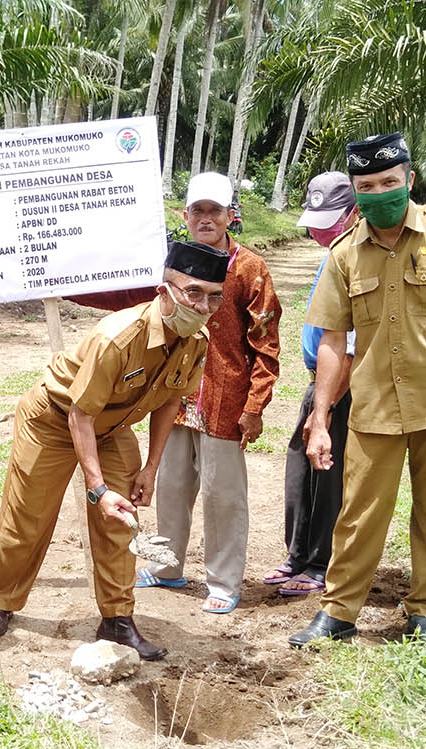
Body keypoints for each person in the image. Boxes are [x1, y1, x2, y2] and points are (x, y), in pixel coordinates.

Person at [289, 132, 426, 648]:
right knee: (359, 513)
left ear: (410, 180)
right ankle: (339, 613)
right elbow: (333, 342)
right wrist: (319, 420)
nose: (379, 192)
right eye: (367, 185)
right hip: (374, 407)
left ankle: (425, 611)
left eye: (388, 182)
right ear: (355, 191)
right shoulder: (344, 254)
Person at [0, 242, 223, 659]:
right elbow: (79, 416)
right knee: (28, 518)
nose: (204, 306)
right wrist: (97, 487)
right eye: (193, 292)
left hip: (111, 426)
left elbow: (169, 402)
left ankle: (116, 620)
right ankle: (1, 601)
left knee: (120, 520)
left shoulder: (196, 339)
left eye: (214, 296)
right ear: (164, 292)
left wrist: (150, 468)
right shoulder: (118, 338)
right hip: (54, 419)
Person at [135, 172, 280, 613]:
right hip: (175, 398)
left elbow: (266, 343)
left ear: (230, 215)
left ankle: (223, 580)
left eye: (214, 211)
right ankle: (167, 568)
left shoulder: (250, 268)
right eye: (197, 210)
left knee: (223, 494)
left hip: (225, 398)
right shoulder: (173, 263)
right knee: (171, 485)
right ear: (185, 215)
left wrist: (255, 406)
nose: (205, 218)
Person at [272, 171, 357, 595]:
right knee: (299, 467)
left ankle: (320, 562)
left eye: (330, 223)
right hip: (317, 382)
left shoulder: (356, 256)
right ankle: (296, 554)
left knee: (328, 472)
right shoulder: (332, 254)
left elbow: (352, 350)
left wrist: (325, 410)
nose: (321, 233)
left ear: (353, 212)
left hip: (341, 384)